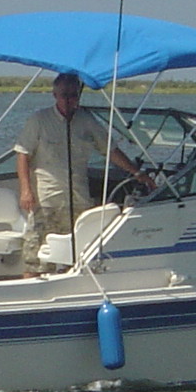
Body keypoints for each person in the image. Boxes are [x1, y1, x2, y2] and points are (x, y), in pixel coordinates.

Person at [14, 72, 152, 275]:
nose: (69, 100)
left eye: (73, 95)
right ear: (55, 95)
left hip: (78, 198)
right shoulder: (39, 120)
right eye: (64, 95)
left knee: (76, 255)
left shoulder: (87, 121)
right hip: (47, 199)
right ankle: (30, 289)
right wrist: (26, 191)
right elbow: (22, 155)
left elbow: (110, 150)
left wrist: (137, 173)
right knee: (36, 258)